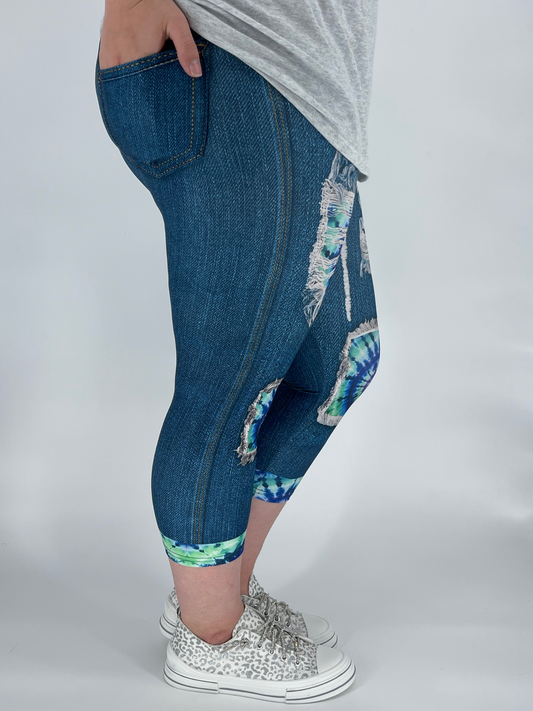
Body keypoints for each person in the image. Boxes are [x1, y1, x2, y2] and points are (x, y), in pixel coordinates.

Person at [96, 0, 380, 702]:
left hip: (306, 95)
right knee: (230, 386)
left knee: (340, 367)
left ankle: (219, 592)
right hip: (238, 66)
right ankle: (211, 634)